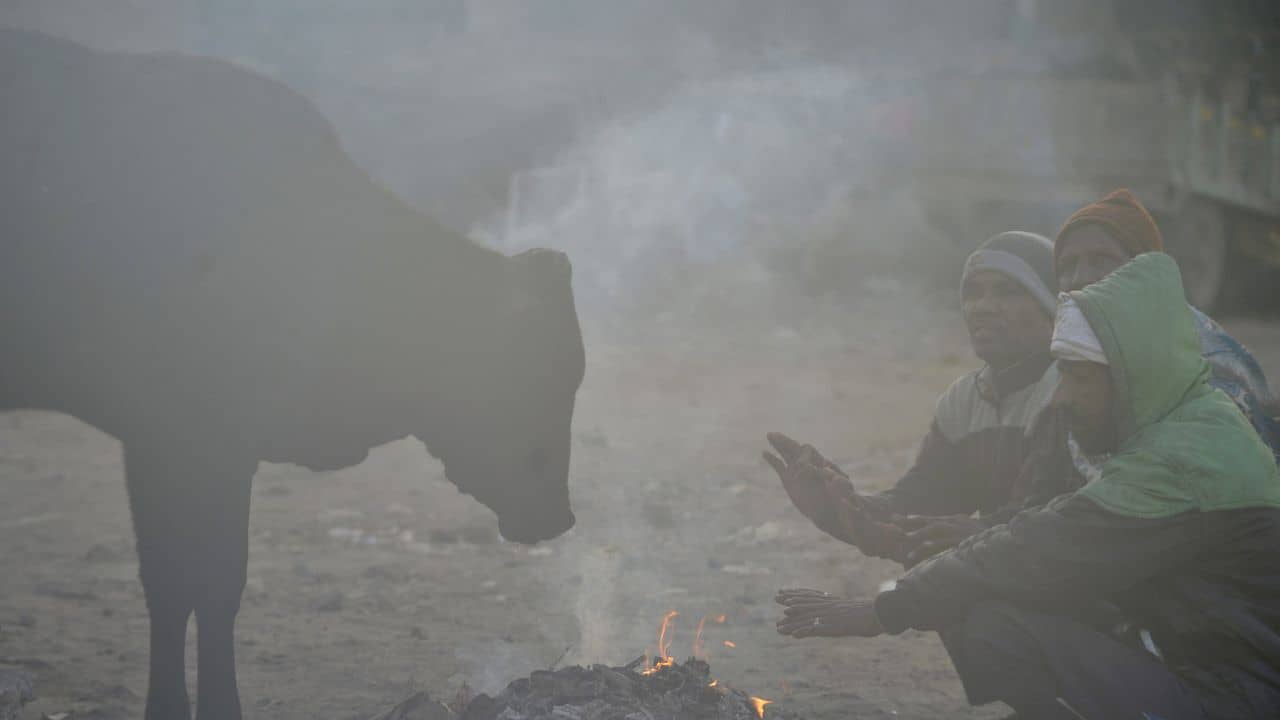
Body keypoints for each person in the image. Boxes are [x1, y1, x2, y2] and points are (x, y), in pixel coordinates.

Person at [776, 252, 1280, 719]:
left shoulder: (1182, 455)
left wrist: (885, 609)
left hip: (1240, 689)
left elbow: (1040, 544)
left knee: (990, 612)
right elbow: (999, 530)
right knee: (982, 586)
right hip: (1200, 654)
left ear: (1131, 373)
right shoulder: (1174, 423)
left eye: (1078, 377)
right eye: (973, 292)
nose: (1062, 396)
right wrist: (844, 514)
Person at [765, 231, 1063, 564]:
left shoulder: (1073, 389)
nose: (982, 307)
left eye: (1007, 292)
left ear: (1052, 307)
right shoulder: (965, 400)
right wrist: (838, 506)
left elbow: (1055, 526)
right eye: (972, 293)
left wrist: (980, 535)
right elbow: (923, 504)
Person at [1055, 188, 1279, 462]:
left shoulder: (1204, 365)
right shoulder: (1075, 354)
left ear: (1146, 270)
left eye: (1101, 260)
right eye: (1067, 265)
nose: (1079, 277)